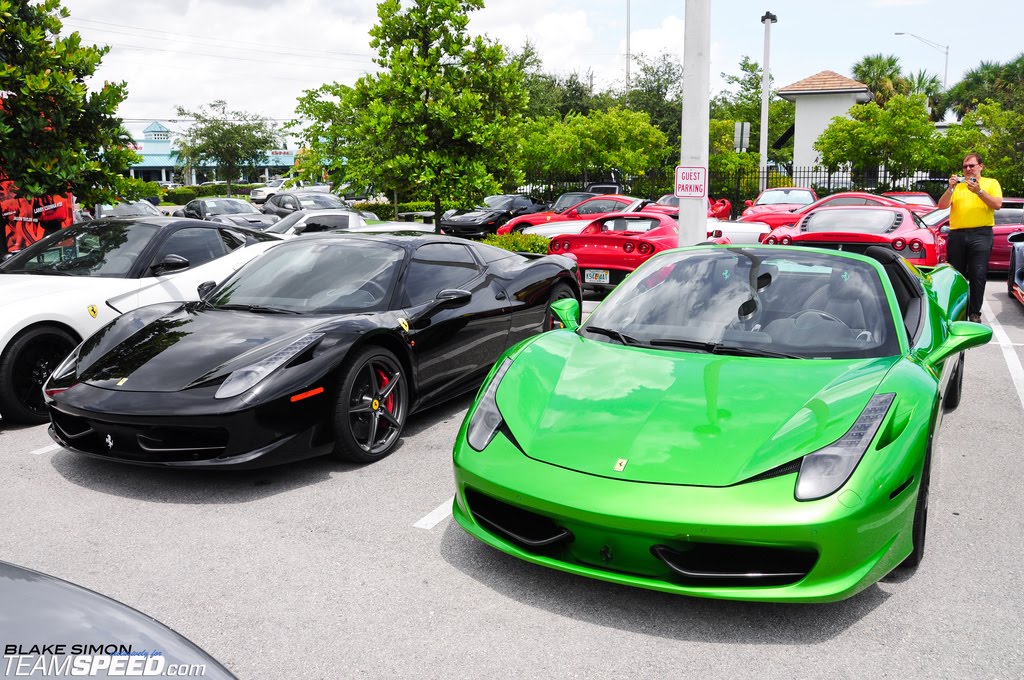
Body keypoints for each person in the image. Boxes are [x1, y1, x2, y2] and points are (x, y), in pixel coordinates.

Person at [937, 152, 1002, 323]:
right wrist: (950, 188)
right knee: (956, 274)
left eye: (971, 166)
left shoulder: (991, 183)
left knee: (978, 274)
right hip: (958, 234)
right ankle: (956, 311)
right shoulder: (958, 186)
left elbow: (997, 204)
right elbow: (941, 205)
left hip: (981, 233)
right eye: (965, 166)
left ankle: (974, 313)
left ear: (981, 166)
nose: (968, 169)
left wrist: (979, 191)